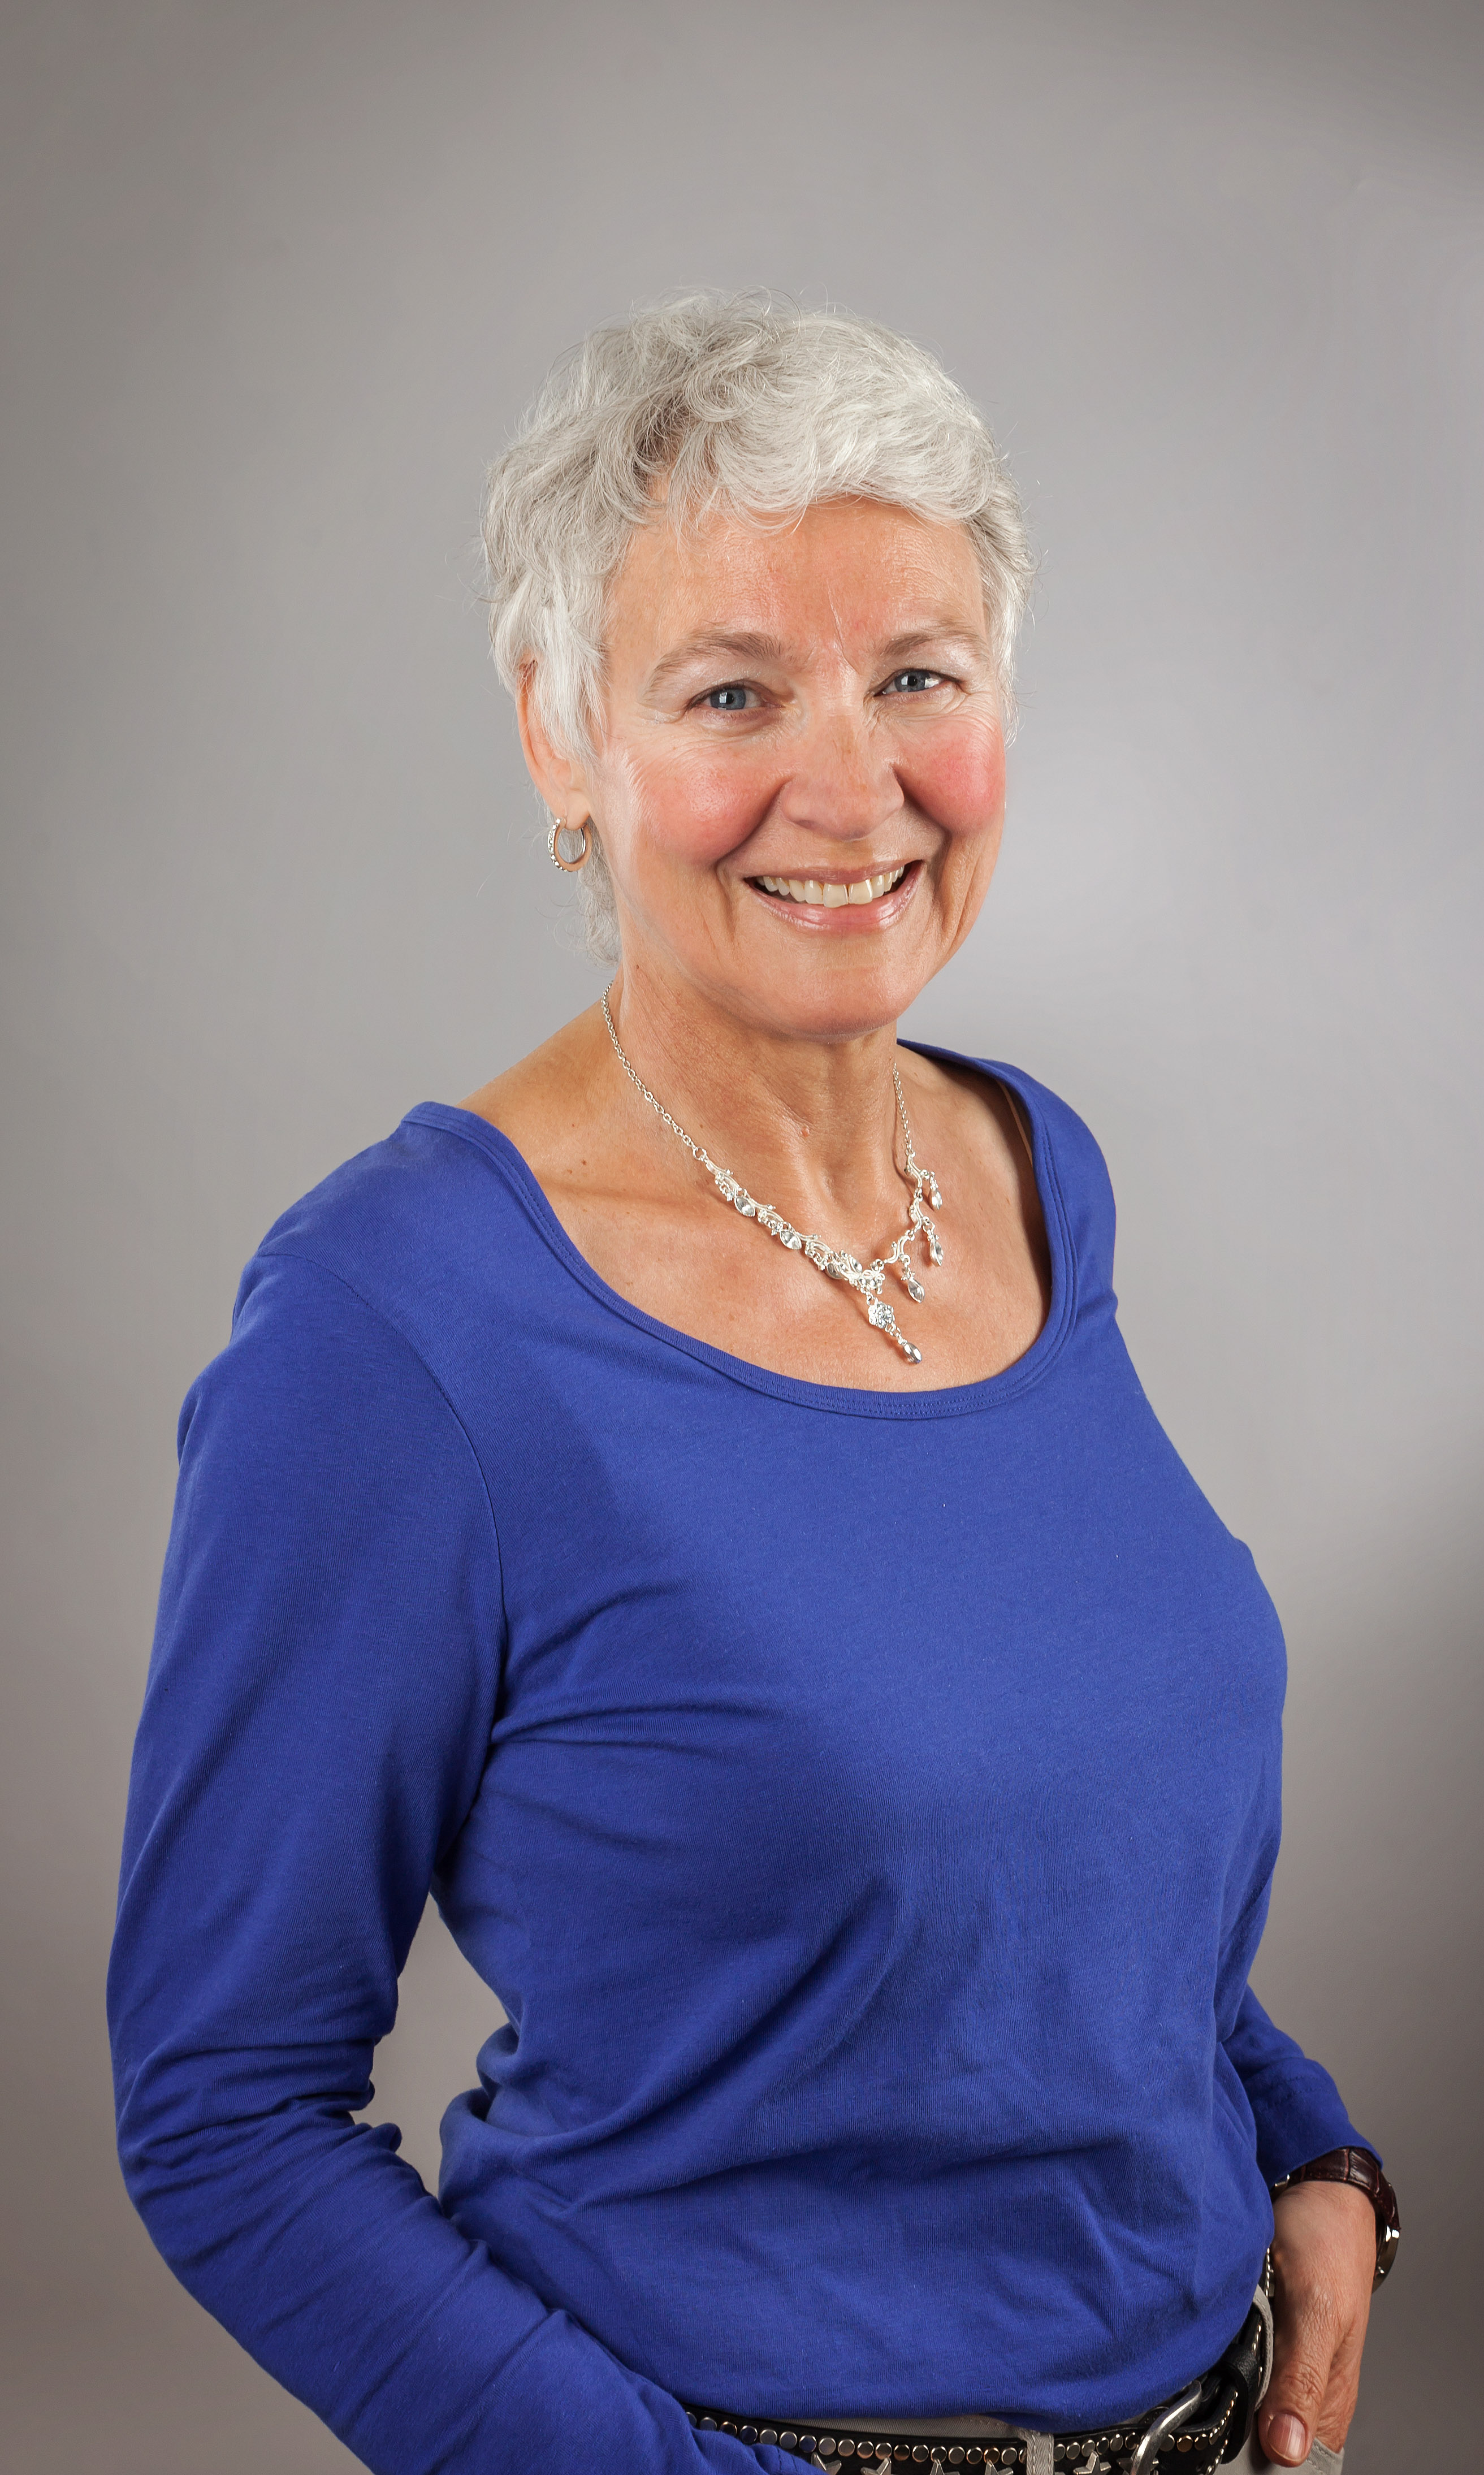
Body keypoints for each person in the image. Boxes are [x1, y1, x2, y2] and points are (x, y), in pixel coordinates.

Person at [109, 295, 1397, 2475]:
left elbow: (1060, 1836)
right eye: (732, 692)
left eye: (919, 676)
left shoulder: (1036, 1173)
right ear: (560, 737)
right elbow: (221, 2110)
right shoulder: (392, 1327)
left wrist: (1305, 2142)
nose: (852, 785)